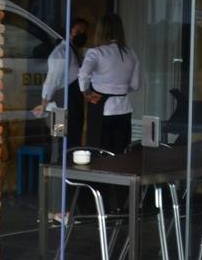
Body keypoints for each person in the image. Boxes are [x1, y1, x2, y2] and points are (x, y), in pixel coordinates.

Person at [77, 13, 141, 154]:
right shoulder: (131, 54)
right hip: (124, 108)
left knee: (98, 152)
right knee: (120, 153)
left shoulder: (96, 53)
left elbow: (83, 74)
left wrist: (86, 92)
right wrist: (119, 88)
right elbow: (135, 85)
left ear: (100, 30)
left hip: (101, 108)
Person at [33, 14, 91, 145]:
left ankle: (67, 160)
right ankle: (59, 163)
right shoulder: (61, 52)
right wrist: (43, 104)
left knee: (75, 134)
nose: (81, 34)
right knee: (59, 136)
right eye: (77, 31)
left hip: (74, 100)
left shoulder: (75, 51)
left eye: (84, 32)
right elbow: (52, 79)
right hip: (61, 100)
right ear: (70, 31)